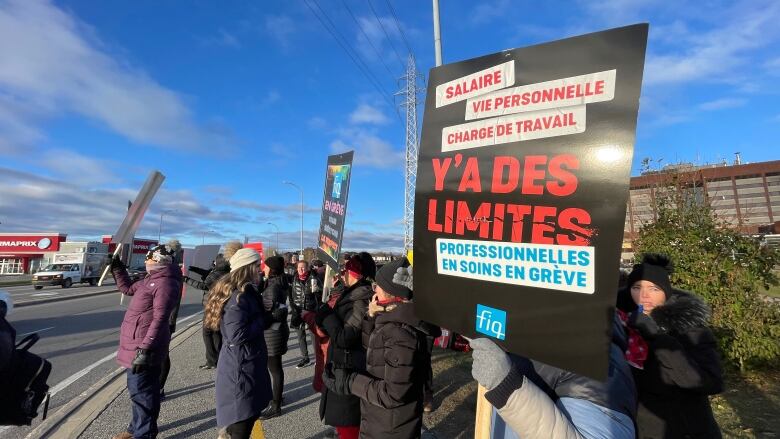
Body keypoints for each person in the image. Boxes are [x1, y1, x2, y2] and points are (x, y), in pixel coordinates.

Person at [322, 257, 433, 439]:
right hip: (380, 419)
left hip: (390, 428)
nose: (374, 289)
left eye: (377, 285)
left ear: (389, 293)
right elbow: (374, 351)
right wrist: (371, 316)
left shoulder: (400, 333)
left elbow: (393, 394)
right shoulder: (392, 321)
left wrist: (350, 382)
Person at [616, 253, 723, 438]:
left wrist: (658, 339)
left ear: (666, 292)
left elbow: (710, 383)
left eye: (654, 288)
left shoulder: (689, 328)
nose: (644, 295)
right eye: (636, 287)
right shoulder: (622, 324)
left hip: (687, 429)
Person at [110, 244, 182, 439]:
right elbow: (127, 288)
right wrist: (118, 269)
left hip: (144, 347)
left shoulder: (165, 283)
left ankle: (145, 434)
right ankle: (136, 428)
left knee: (143, 393)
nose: (146, 261)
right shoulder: (150, 279)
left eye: (149, 258)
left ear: (159, 261)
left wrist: (145, 348)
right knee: (138, 392)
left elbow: (160, 318)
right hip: (134, 344)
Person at [205, 248, 272, 439]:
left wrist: (263, 312)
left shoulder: (246, 291)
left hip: (246, 361)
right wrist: (265, 320)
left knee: (247, 416)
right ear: (247, 269)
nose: (260, 270)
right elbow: (236, 334)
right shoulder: (238, 296)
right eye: (257, 266)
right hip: (240, 366)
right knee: (242, 421)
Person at [315, 254, 375, 439]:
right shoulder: (352, 293)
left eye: (346, 270)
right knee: (343, 421)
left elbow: (345, 337)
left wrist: (326, 315)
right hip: (342, 364)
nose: (342, 274)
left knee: (349, 420)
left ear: (355, 273)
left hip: (350, 367)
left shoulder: (361, 299)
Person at [259, 255, 290, 420]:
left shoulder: (272, 287)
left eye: (265, 266)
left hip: (272, 332)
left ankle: (276, 404)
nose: (263, 268)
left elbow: (274, 313)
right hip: (277, 331)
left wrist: (257, 321)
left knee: (275, 368)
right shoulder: (279, 282)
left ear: (271, 269)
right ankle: (278, 397)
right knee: (275, 367)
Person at [289, 259, 323, 369]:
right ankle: (305, 358)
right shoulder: (293, 279)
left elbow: (322, 294)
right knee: (300, 336)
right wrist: (293, 308)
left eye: (303, 267)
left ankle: (318, 358)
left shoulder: (314, 278)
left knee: (314, 336)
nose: (301, 270)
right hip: (298, 311)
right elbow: (290, 295)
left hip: (311, 311)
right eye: (299, 268)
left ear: (308, 268)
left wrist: (318, 290)